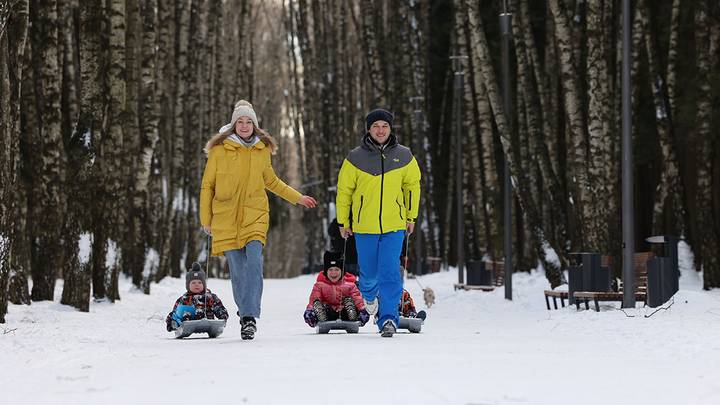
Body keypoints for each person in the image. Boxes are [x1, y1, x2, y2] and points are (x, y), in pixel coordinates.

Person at [200, 100, 317, 340]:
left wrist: (298, 198)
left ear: (255, 125)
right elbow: (207, 186)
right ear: (234, 125)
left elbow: (272, 181)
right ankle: (245, 314)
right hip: (226, 217)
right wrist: (206, 219)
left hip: (255, 215)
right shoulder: (219, 150)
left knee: (254, 262)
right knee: (238, 270)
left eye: (249, 122)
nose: (244, 126)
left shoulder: (261, 149)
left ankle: (250, 317)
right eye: (240, 122)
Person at [336, 108, 421, 337]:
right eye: (376, 126)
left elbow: (412, 186)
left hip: (395, 225)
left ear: (390, 129)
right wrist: (343, 221)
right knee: (369, 274)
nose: (380, 130)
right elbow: (344, 191)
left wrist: (411, 216)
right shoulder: (355, 157)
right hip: (364, 226)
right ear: (369, 129)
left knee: (390, 271)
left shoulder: (404, 156)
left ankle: (388, 319)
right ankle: (370, 296)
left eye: (384, 126)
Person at [303, 251, 370, 328]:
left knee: (349, 301)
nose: (333, 273)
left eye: (337, 270)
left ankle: (352, 314)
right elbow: (314, 299)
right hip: (328, 313)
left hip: (345, 312)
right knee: (319, 305)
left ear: (342, 271)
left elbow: (358, 299)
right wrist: (309, 311)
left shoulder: (350, 285)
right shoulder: (319, 285)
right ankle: (321, 316)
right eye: (330, 270)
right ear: (326, 272)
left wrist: (363, 310)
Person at [166, 263, 229, 332]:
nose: (197, 285)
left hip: (208, 322)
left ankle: (202, 318)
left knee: (204, 312)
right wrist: (171, 321)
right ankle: (184, 322)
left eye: (199, 282)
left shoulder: (210, 297)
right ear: (188, 285)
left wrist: (223, 316)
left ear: (204, 284)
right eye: (193, 283)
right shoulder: (183, 299)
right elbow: (176, 312)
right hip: (189, 323)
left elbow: (218, 307)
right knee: (183, 311)